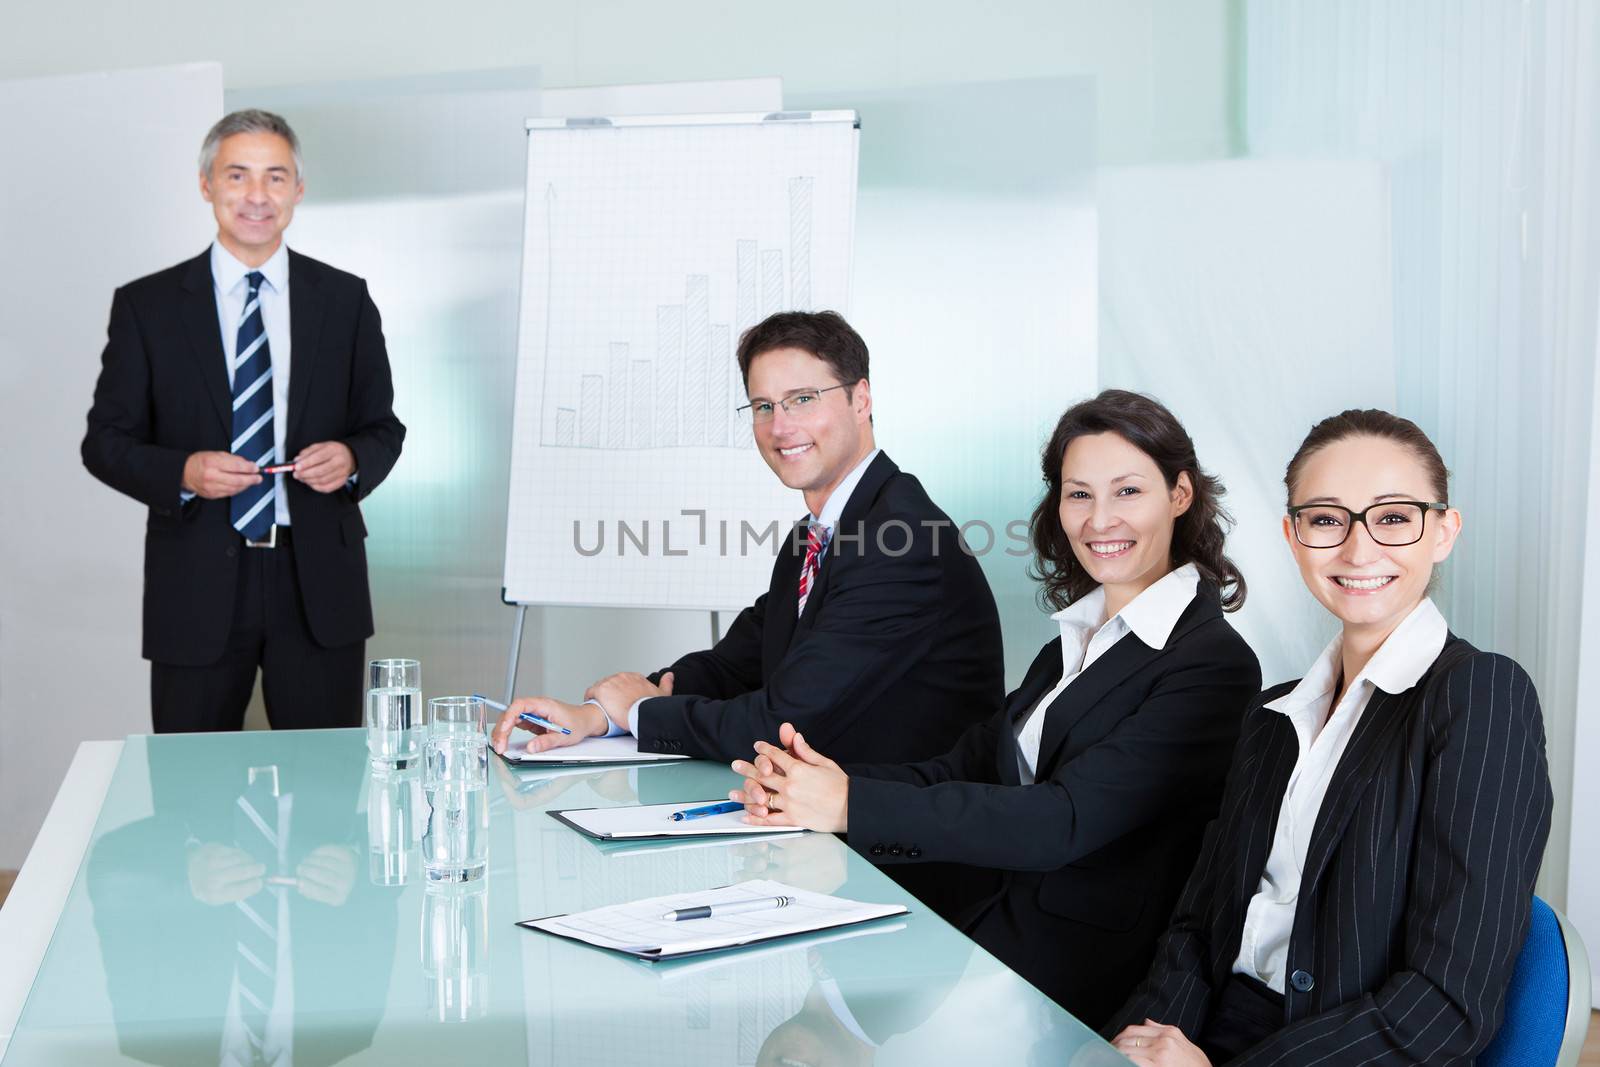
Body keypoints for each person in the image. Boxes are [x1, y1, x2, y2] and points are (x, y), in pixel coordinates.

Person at [730, 390, 1263, 1027]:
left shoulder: (1211, 663)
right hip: (985, 928)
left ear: (1180, 496)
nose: (1099, 520)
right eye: (1078, 493)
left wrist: (852, 806)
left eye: (1127, 492)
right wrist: (821, 786)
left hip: (1079, 978)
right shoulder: (1075, 640)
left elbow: (1063, 819)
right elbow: (970, 762)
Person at [1105, 409, 1553, 1066]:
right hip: (1206, 1032)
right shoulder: (1271, 714)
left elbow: (1446, 1004)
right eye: (1325, 519)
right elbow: (1200, 927)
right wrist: (1142, 1042)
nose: (1358, 548)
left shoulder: (1480, 694)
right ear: (1293, 535)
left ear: (1443, 531)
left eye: (1394, 517)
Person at [489, 310, 1004, 767]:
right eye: (763, 406)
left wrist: (643, 712)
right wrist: (598, 716)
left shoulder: (902, 541)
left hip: (900, 857)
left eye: (802, 399)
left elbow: (781, 722)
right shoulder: (818, 534)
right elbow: (738, 663)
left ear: (861, 398)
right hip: (817, 828)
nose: (780, 427)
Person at [82, 109, 405, 732]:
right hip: (195, 579)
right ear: (207, 185)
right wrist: (183, 470)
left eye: (276, 177)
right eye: (238, 175)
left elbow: (382, 428)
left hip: (318, 584)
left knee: (325, 798)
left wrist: (353, 459)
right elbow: (104, 441)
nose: (257, 196)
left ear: (298, 191)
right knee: (189, 794)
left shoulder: (344, 300)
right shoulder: (147, 306)